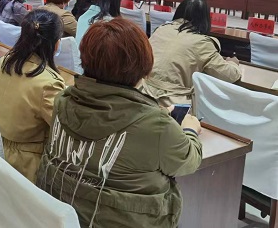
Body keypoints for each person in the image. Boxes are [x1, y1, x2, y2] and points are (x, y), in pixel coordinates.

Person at [37, 18, 202, 227]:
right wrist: (190, 129)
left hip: (62, 214)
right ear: (142, 66)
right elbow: (188, 161)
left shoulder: (63, 100)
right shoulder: (156, 126)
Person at [0, 9, 65, 182]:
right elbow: (62, 128)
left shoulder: (6, 61)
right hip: (24, 166)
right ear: (55, 44)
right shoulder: (48, 83)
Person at [142, 0, 241, 108]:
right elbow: (230, 76)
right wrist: (233, 63)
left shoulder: (161, 29)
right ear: (206, 18)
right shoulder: (202, 42)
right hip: (172, 105)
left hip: (142, 94)